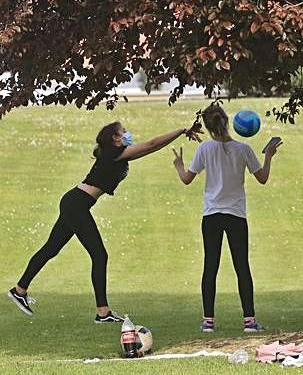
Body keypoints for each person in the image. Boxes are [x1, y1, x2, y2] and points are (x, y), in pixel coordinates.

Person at [7, 121, 201, 323]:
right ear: (115, 138)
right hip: (76, 205)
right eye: (123, 132)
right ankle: (102, 312)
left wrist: (179, 134)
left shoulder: (118, 153)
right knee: (99, 255)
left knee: (52, 249)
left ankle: (19, 290)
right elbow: (151, 144)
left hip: (75, 202)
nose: (127, 134)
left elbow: (151, 148)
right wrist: (181, 130)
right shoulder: (113, 153)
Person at [172, 104, 281, 333]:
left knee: (210, 266)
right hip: (236, 216)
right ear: (227, 121)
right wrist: (269, 156)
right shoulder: (244, 149)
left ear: (209, 127)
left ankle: (208, 322)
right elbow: (262, 178)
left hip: (211, 215)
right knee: (242, 266)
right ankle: (249, 321)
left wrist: (179, 165)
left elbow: (186, 179)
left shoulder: (204, 149)